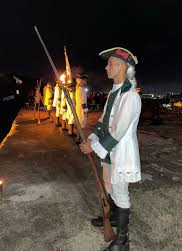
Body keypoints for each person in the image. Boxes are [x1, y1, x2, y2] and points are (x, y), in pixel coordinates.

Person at [80, 47, 141, 251]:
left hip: (121, 152)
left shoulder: (130, 96)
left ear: (123, 66)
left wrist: (93, 146)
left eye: (111, 63)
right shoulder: (114, 92)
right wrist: (92, 136)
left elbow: (118, 132)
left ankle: (123, 242)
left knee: (121, 192)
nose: (107, 67)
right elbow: (104, 122)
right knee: (109, 185)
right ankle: (114, 217)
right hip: (108, 151)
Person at [75, 74, 88, 143]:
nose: (86, 82)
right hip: (81, 109)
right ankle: (79, 138)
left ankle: (78, 137)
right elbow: (83, 101)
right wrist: (85, 111)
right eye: (85, 80)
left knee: (79, 123)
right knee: (81, 123)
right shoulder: (81, 88)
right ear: (82, 80)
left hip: (79, 108)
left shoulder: (78, 87)